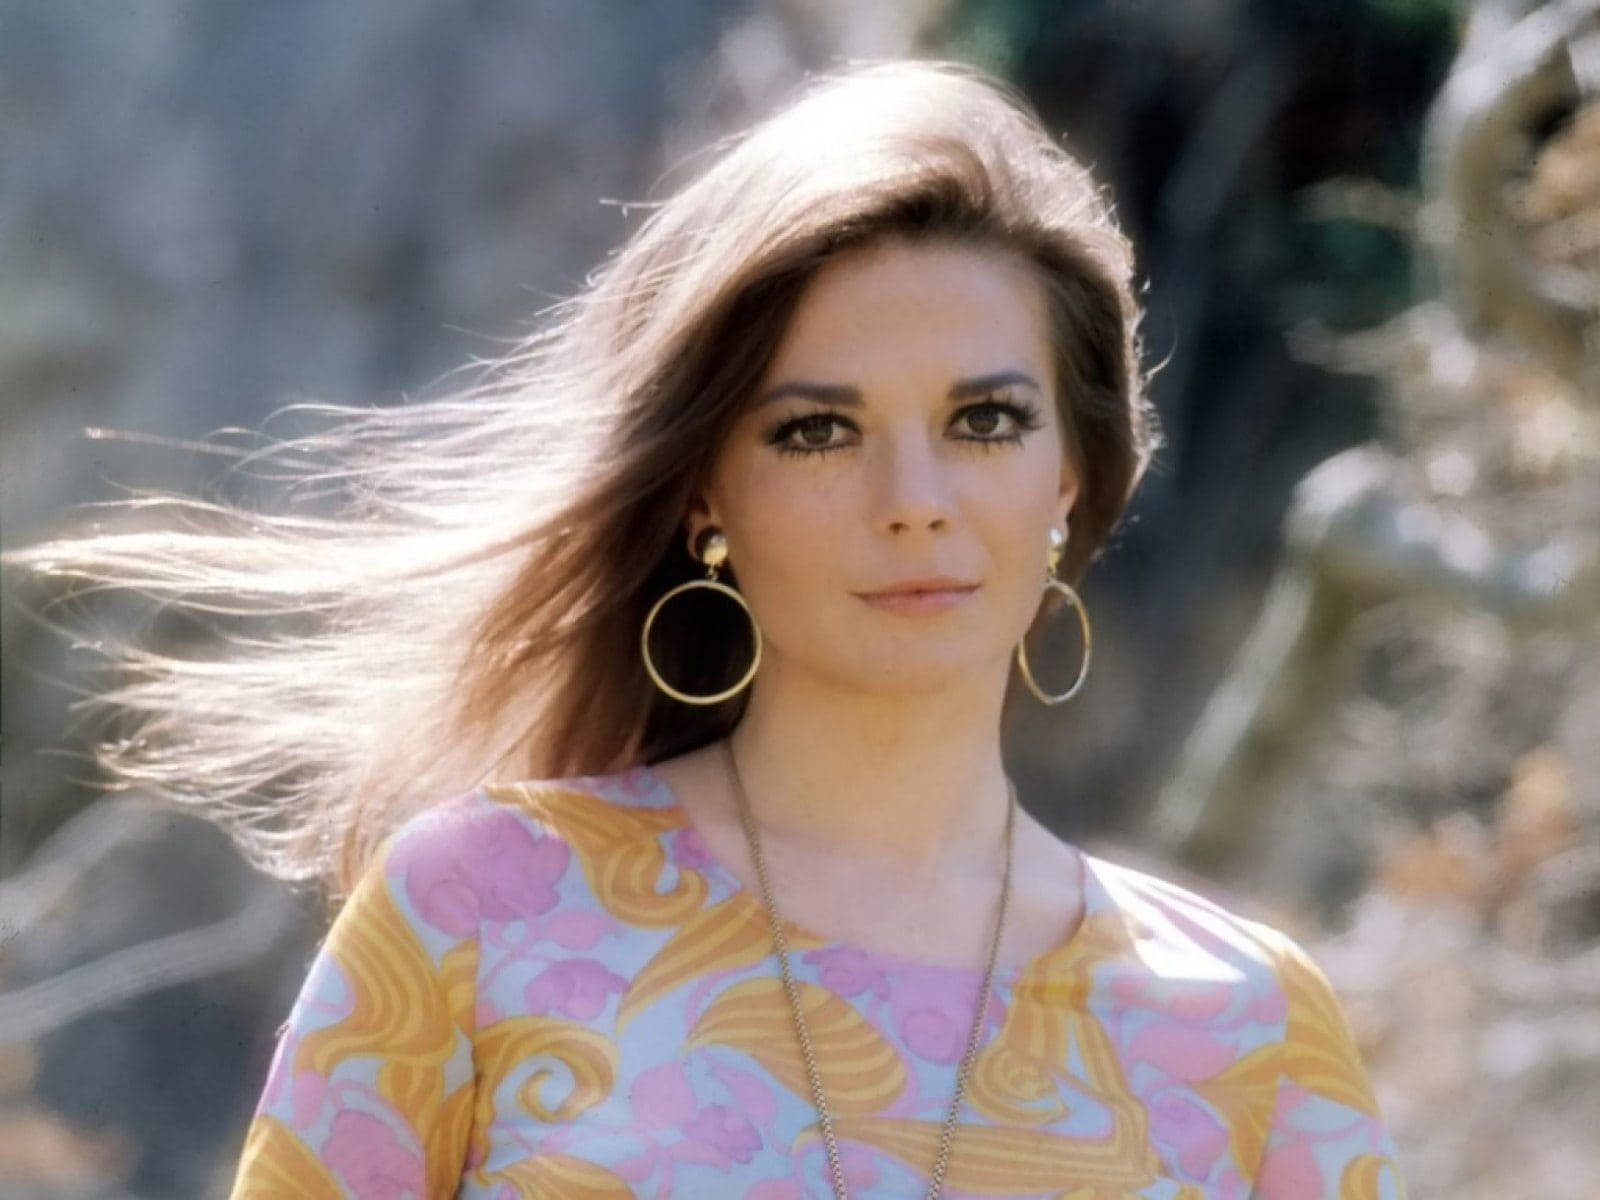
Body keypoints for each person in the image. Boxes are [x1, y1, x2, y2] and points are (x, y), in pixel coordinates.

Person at [8, 59, 1406, 1199]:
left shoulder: (1247, 1031)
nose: (914, 501)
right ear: (703, 496)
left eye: (984, 421)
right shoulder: (487, 909)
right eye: (816, 431)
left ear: (1074, 476)